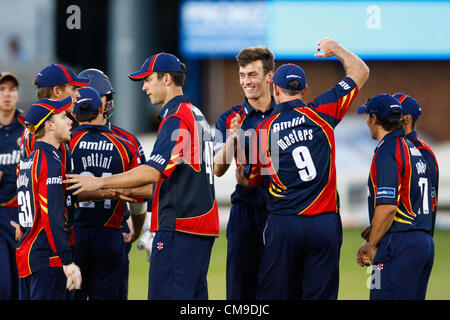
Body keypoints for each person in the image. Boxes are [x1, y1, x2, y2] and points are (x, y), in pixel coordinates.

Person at [65, 53, 219, 300]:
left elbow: (152, 172)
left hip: (179, 226)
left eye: (148, 80)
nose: (145, 88)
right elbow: (168, 182)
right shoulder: (195, 113)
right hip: (201, 227)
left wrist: (100, 182)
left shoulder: (176, 116)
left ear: (166, 78)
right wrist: (119, 192)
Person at [241, 38, 369, 299]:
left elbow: (251, 179)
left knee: (276, 294)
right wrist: (337, 49)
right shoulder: (322, 112)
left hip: (284, 223)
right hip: (324, 223)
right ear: (305, 89)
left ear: (275, 90)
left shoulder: (262, 130)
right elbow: (361, 71)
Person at [78, 68, 150, 299]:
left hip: (71, 234)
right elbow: (142, 195)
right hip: (111, 233)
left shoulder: (64, 138)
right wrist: (137, 230)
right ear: (105, 102)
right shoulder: (126, 141)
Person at [356, 94, 435, 300]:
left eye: (367, 117)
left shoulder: (388, 150)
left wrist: (373, 244)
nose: (366, 122)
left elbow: (387, 207)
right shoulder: (415, 149)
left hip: (398, 243)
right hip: (419, 241)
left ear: (375, 119)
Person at [213, 46, 275, 300]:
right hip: (245, 215)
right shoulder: (229, 118)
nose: (246, 82)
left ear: (270, 76)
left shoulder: (286, 115)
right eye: (242, 75)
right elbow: (217, 168)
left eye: (252, 74)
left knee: (277, 289)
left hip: (280, 212)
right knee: (240, 292)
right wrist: (232, 140)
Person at [16, 97, 82, 300]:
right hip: (47, 258)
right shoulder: (50, 162)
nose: (70, 121)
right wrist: (68, 262)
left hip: (28, 256)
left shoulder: (28, 161)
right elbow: (52, 216)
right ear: (49, 125)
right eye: (63, 117)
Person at [393, 93, 439, 235]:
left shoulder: (423, 152)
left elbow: (430, 202)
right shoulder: (392, 146)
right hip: (393, 233)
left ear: (407, 119)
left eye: (394, 114)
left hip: (410, 234)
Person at [0, 72, 25, 299]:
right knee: (4, 286)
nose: (7, 95)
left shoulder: (28, 128)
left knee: (22, 287)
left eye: (12, 89)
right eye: (2, 89)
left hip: (23, 215)